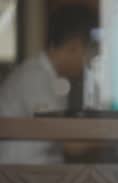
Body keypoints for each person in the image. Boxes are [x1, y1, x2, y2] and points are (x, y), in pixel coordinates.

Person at [0, 4, 95, 163]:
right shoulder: (34, 77)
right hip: (17, 180)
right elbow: (70, 145)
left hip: (36, 178)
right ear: (74, 46)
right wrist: (116, 136)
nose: (89, 63)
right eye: (89, 53)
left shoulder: (52, 79)